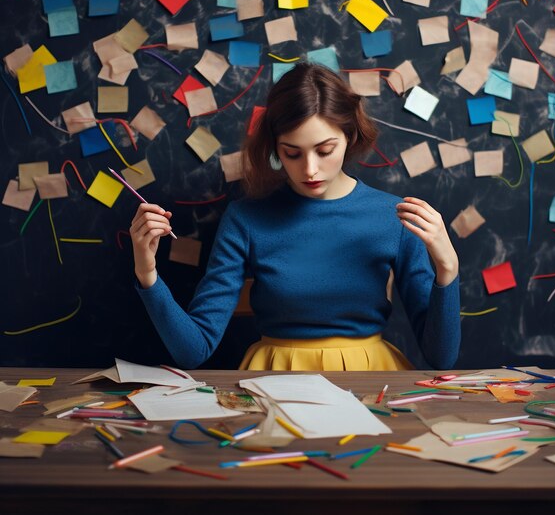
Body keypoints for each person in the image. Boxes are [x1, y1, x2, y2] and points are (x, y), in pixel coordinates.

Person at [131, 64, 461, 371]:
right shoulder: (246, 218)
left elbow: (440, 358)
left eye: (325, 150)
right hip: (275, 379)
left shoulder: (396, 217)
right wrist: (148, 274)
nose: (310, 169)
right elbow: (194, 350)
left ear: (349, 136)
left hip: (370, 378)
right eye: (292, 153)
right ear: (275, 147)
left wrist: (447, 269)